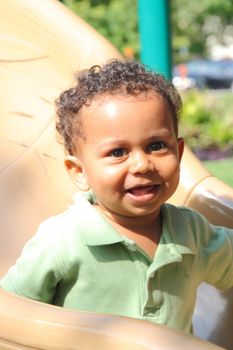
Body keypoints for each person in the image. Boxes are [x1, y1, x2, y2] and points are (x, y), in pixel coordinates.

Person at [1, 59, 233, 334]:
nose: (142, 165)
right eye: (117, 152)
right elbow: (11, 314)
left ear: (179, 153)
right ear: (78, 171)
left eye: (156, 146)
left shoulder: (192, 231)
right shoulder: (62, 240)